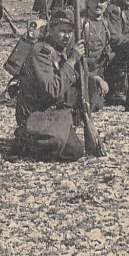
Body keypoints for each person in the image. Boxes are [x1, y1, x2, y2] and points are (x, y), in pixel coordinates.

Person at [13, 10, 86, 159]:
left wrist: (94, 78)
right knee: (73, 151)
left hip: (55, 109)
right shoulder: (40, 52)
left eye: (70, 32)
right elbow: (53, 89)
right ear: (51, 30)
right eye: (62, 31)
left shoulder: (60, 49)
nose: (67, 36)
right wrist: (72, 60)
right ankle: (26, 140)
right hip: (38, 113)